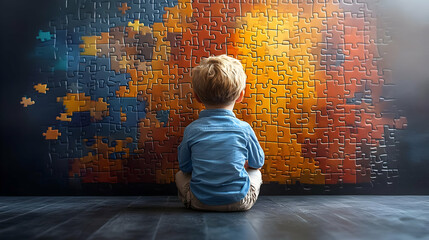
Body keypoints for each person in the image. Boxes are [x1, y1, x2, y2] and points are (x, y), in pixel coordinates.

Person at [175, 54, 265, 211]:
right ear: (240, 96)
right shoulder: (244, 129)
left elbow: (185, 167)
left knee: (179, 175)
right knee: (255, 172)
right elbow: (257, 163)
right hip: (240, 202)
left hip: (199, 202)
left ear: (196, 96)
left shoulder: (192, 129)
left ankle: (196, 198)